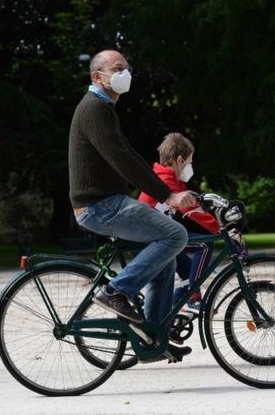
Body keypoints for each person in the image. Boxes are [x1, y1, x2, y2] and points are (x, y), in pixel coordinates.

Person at [69, 49, 195, 361]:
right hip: (100, 206)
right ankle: (116, 292)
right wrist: (168, 195)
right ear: (98, 77)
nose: (125, 73)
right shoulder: (94, 108)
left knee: (164, 254)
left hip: (106, 203)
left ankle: (152, 335)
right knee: (176, 235)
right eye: (117, 68)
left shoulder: (104, 109)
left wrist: (165, 189)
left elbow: (130, 155)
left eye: (127, 67)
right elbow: (121, 159)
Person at [138, 133, 219, 318]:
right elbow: (193, 212)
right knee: (205, 244)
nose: (190, 167)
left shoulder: (170, 179)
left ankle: (171, 320)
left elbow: (194, 205)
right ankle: (194, 300)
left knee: (187, 275)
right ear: (180, 160)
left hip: (158, 237)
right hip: (151, 240)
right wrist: (220, 230)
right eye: (190, 162)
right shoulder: (165, 181)